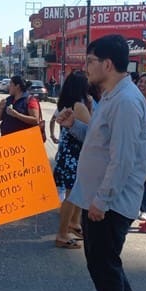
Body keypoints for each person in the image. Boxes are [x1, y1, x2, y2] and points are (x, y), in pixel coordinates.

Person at [57, 34, 146, 291]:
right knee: (109, 262)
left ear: (107, 64)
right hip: (100, 198)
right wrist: (72, 127)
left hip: (108, 203)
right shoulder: (112, 96)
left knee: (102, 265)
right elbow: (99, 144)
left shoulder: (124, 102)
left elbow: (121, 159)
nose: (87, 68)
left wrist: (102, 201)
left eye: (91, 61)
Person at [51, 71, 91, 249]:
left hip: (66, 155)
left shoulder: (64, 103)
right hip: (74, 156)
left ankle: (74, 224)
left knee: (75, 193)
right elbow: (93, 131)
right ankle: (62, 234)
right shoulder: (79, 105)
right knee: (72, 195)